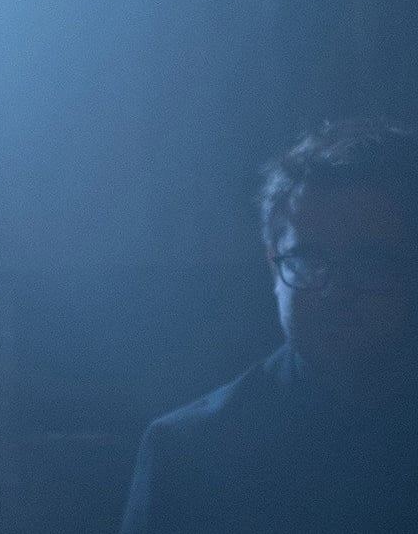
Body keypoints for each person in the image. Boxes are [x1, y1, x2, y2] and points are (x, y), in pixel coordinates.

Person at [119, 118, 418, 534]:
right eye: (309, 260)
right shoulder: (190, 452)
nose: (335, 290)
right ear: (272, 264)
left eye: (370, 262)